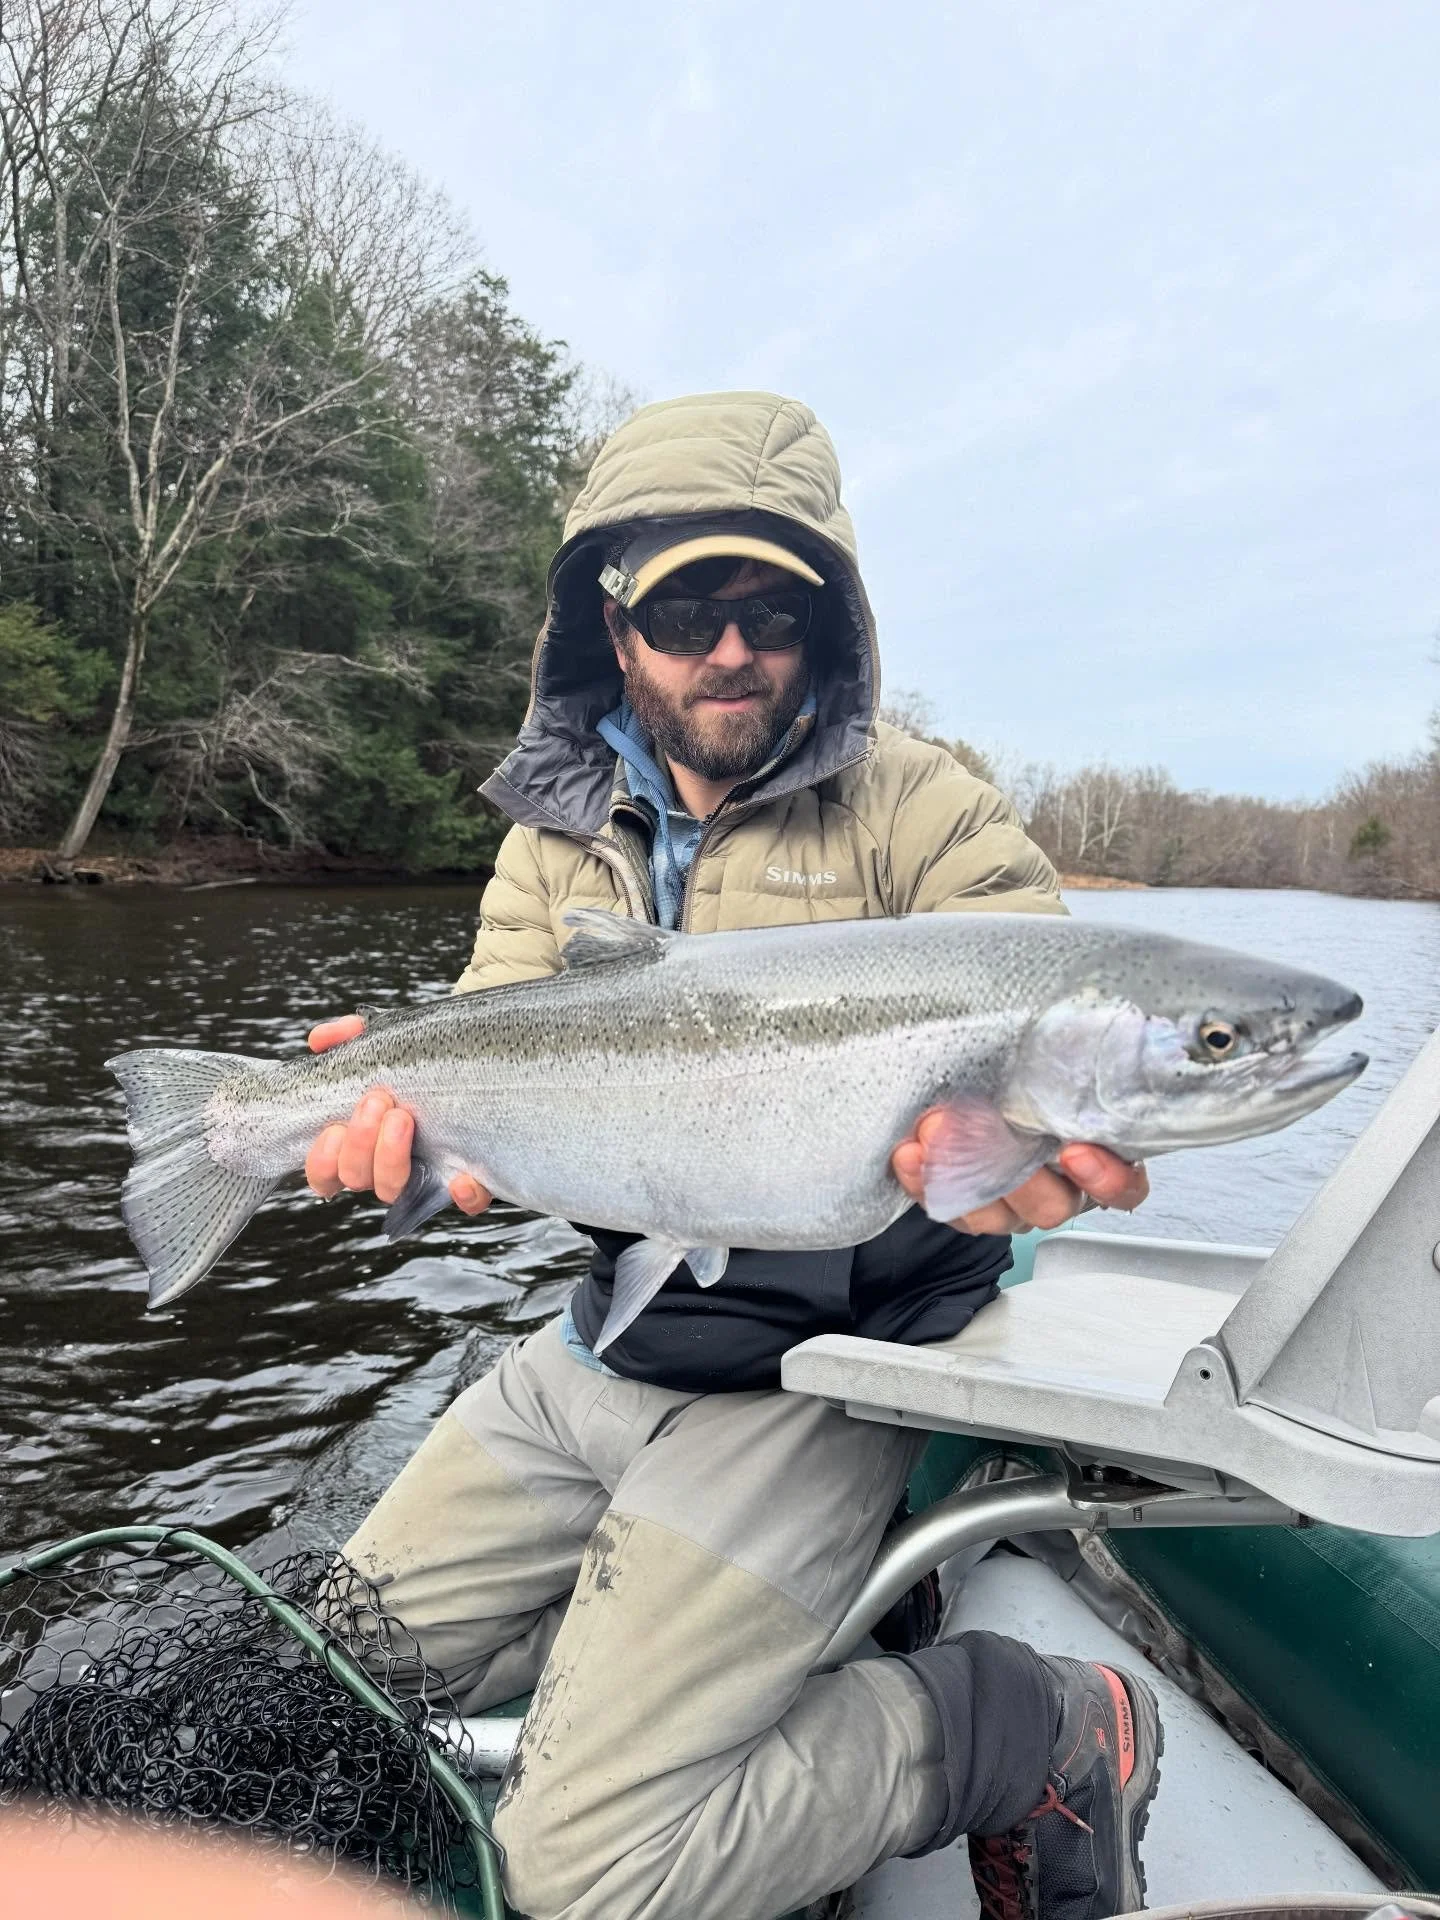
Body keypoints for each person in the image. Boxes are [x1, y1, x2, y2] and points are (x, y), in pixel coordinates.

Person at [304, 392, 1158, 1920]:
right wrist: (417, 1142)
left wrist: (1026, 1137)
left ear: (829, 630)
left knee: (583, 1879)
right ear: (613, 623)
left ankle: (1034, 1723)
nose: (732, 648)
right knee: (312, 1684)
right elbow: (496, 1065)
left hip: (831, 1367)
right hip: (608, 1344)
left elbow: (1036, 990)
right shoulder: (549, 840)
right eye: (692, 606)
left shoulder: (925, 807)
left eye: (776, 609)